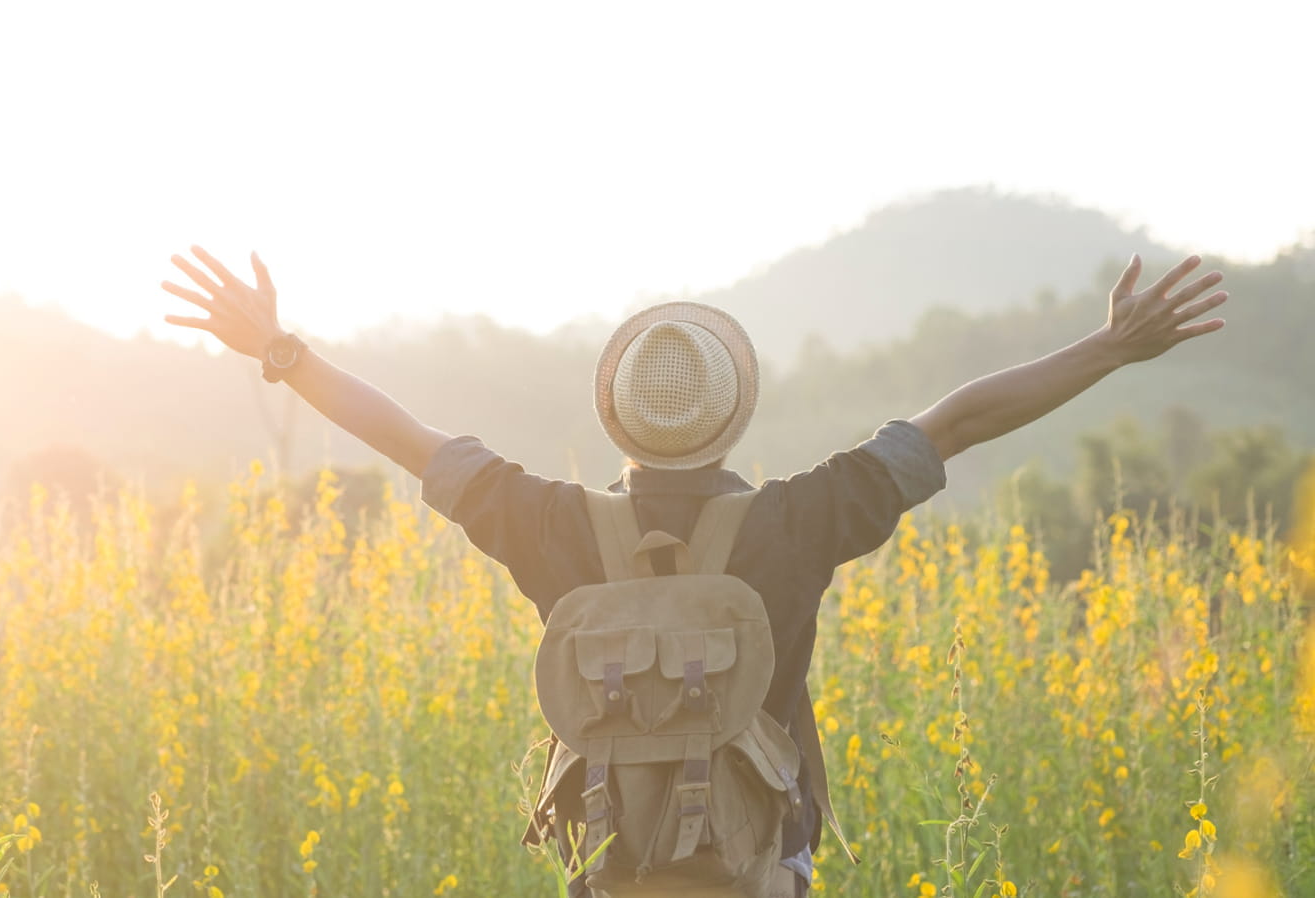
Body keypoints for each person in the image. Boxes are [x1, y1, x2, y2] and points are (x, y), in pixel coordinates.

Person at [160, 246, 1229, 897]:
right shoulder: (801, 519)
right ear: (735, 411)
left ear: (615, 414)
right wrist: (1109, 349)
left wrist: (281, 350)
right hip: (763, 875)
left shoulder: (550, 526)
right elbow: (960, 419)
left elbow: (404, 434)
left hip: (615, 879)